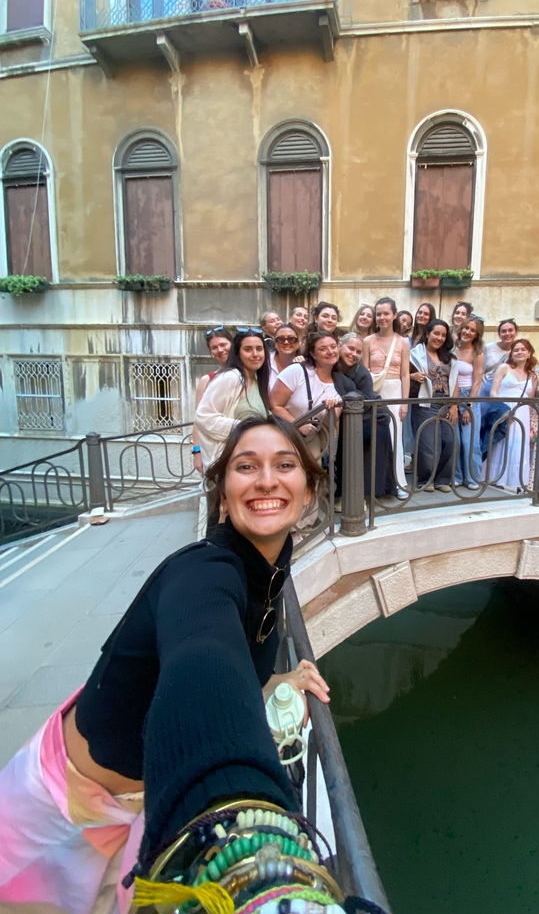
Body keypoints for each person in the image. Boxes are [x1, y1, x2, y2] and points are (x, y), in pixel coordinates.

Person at [0, 416, 332, 914]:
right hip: (60, 807)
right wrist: (256, 829)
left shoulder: (268, 564)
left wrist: (273, 679)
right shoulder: (202, 569)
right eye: (247, 466)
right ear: (223, 494)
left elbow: (234, 650)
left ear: (307, 493)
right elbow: (203, 655)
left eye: (285, 465)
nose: (266, 479)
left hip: (142, 798)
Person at [332, 333, 402, 505]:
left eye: (358, 351)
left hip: (372, 419)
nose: (353, 354)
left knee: (364, 459)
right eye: (350, 348)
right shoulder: (331, 364)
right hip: (347, 419)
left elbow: (364, 401)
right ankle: (344, 493)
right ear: (340, 345)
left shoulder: (361, 373)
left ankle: (362, 497)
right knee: (344, 456)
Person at [195, 327, 270, 469]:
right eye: (248, 349)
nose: (255, 354)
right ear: (238, 353)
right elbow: (203, 416)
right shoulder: (231, 377)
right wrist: (246, 428)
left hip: (249, 462)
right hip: (229, 465)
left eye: (259, 349)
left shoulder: (256, 379)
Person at [363, 297, 411, 491]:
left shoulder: (404, 342)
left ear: (394, 315)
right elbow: (364, 372)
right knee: (375, 437)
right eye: (379, 313)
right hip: (374, 392)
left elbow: (405, 374)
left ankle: (398, 483)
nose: (382, 317)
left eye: (386, 313)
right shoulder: (367, 341)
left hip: (395, 392)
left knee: (395, 436)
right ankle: (375, 483)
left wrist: (404, 402)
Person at [270, 331, 342, 459]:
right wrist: (299, 425)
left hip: (311, 438)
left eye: (333, 346)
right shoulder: (297, 371)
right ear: (313, 354)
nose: (330, 351)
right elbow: (274, 405)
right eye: (323, 349)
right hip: (284, 433)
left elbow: (327, 424)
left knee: (314, 470)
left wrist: (330, 410)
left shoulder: (341, 384)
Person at [409, 319, 459, 492]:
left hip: (446, 402)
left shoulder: (450, 358)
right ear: (428, 333)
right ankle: (425, 480)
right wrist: (412, 376)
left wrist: (454, 406)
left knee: (451, 441)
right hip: (425, 402)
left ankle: (442, 479)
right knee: (428, 444)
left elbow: (455, 382)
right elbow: (404, 374)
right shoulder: (415, 353)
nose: (439, 337)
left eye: (443, 335)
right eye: (436, 333)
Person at [487, 338, 538, 491]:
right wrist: (503, 410)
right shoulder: (504, 368)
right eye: (516, 350)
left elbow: (530, 400)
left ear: (529, 353)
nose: (519, 352)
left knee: (518, 445)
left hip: (522, 413)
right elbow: (493, 392)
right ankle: (496, 478)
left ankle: (516, 481)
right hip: (504, 410)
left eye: (523, 349)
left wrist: (530, 425)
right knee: (501, 442)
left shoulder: (532, 375)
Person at [191, 326, 234, 474]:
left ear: (232, 344)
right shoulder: (207, 380)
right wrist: (197, 452)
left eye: (223, 344)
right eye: (214, 347)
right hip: (216, 447)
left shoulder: (250, 374)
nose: (220, 350)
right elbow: (199, 418)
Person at [454, 316, 485, 489]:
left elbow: (477, 381)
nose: (467, 332)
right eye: (466, 328)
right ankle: (457, 476)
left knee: (470, 442)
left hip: (469, 398)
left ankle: (473, 478)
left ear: (476, 334)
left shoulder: (477, 353)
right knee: (456, 440)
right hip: (453, 396)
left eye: (472, 330)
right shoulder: (453, 349)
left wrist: (469, 407)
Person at [480, 318, 518, 397]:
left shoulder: (518, 352)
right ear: (499, 334)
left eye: (510, 330)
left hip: (505, 394)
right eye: (503, 331)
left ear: (516, 332)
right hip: (484, 393)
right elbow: (479, 370)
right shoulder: (488, 347)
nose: (507, 333)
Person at [268, 323, 301, 392]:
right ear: (275, 344)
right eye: (281, 339)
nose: (286, 342)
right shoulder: (265, 362)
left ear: (298, 343)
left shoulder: (305, 365)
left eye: (291, 339)